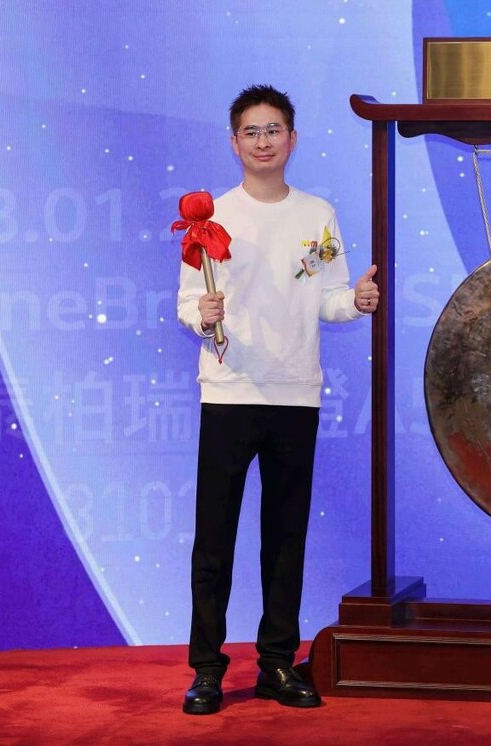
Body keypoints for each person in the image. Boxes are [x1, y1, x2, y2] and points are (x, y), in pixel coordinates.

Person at [176, 84, 379, 715]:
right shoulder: (211, 217)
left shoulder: (317, 214)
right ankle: (207, 670)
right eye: (251, 132)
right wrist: (202, 314)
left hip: (295, 393)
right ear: (234, 141)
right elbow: (188, 303)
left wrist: (357, 302)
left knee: (286, 535)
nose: (263, 142)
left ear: (292, 138)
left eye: (273, 130)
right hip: (230, 391)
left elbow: (329, 297)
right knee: (214, 538)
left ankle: (276, 663)